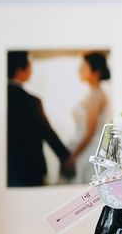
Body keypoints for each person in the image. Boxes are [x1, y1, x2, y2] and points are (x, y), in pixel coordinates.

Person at [6, 51, 73, 187]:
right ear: (19, 70)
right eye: (29, 66)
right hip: (30, 168)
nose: (31, 70)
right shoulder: (31, 101)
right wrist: (66, 157)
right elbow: (47, 132)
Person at [64, 52, 111, 183]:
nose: (80, 71)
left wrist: (74, 156)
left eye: (84, 68)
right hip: (86, 145)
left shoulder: (95, 95)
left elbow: (90, 131)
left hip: (89, 148)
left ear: (96, 72)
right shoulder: (93, 93)